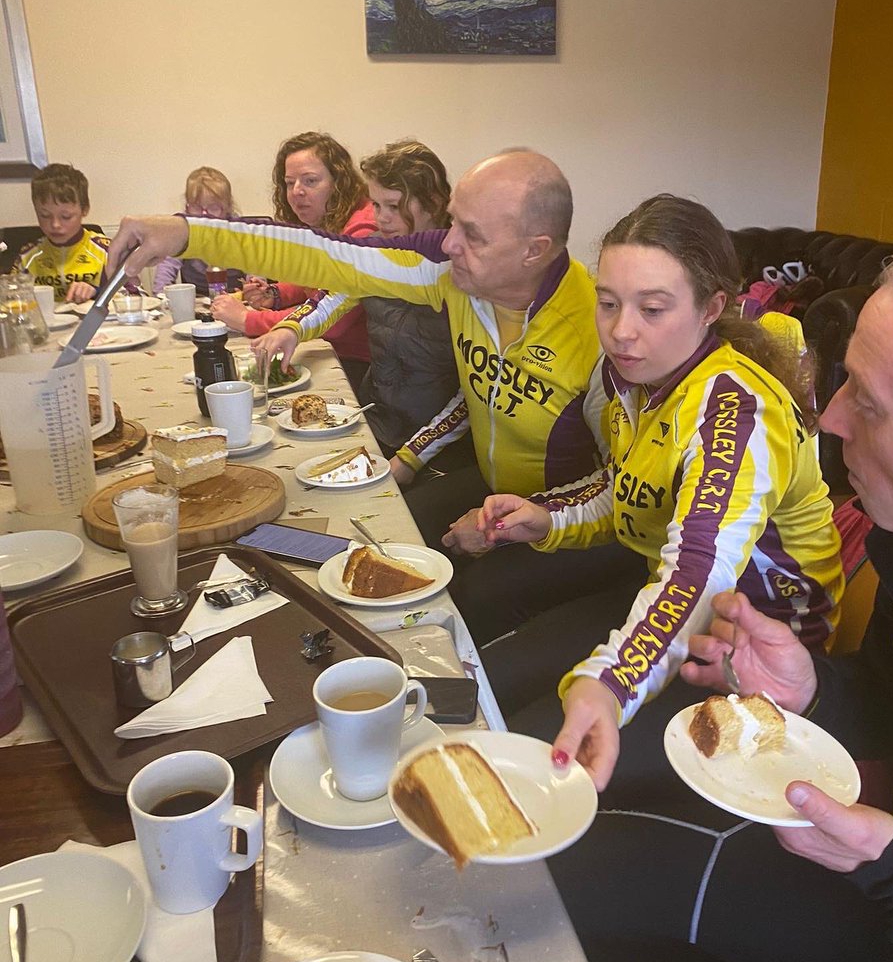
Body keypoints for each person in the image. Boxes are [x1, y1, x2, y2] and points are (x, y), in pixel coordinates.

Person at [532, 233, 893, 962]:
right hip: (881, 866)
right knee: (565, 866)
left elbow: (697, 563)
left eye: (868, 402)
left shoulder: (733, 400)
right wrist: (814, 689)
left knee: (570, 866)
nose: (830, 417)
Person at [109, 149, 638, 639]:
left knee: (462, 603)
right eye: (453, 222)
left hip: (573, 517)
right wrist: (187, 232)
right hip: (495, 486)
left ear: (533, 251)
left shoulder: (601, 336)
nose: (448, 243)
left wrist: (500, 526)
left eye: (471, 234)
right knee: (373, 532)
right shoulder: (456, 274)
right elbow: (334, 258)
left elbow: (623, 485)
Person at [476, 194, 843, 720]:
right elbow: (628, 484)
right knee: (492, 679)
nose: (621, 331)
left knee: (537, 728)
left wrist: (612, 683)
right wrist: (547, 517)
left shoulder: (735, 411)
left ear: (710, 309)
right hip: (670, 590)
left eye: (651, 309)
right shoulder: (636, 375)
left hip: (760, 642)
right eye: (608, 303)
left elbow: (699, 568)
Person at [254, 139, 465, 459]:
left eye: (393, 206)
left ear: (433, 204)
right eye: (376, 205)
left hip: (436, 443)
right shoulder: (377, 250)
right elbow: (332, 296)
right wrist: (290, 328)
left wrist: (412, 457)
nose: (381, 219)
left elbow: (473, 395)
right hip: (377, 416)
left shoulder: (463, 271)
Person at [210, 131, 376, 394]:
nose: (297, 191)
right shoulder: (326, 220)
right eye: (289, 183)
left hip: (361, 367)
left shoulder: (361, 231)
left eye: (310, 181)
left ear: (339, 182)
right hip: (331, 351)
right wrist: (275, 295)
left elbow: (332, 318)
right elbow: (316, 281)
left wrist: (247, 319)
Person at [20, 163, 110, 302]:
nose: (55, 225)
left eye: (66, 216)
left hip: (94, 316)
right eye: (44, 215)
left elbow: (136, 297)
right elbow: (11, 300)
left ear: (84, 210)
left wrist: (97, 291)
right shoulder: (27, 257)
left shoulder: (106, 251)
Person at [152, 166, 244, 295]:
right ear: (187, 208)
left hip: (236, 296)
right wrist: (161, 295)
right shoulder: (183, 231)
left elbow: (256, 270)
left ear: (228, 208)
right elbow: (167, 266)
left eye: (213, 208)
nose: (204, 215)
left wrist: (254, 289)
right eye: (196, 207)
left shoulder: (240, 231)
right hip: (197, 299)